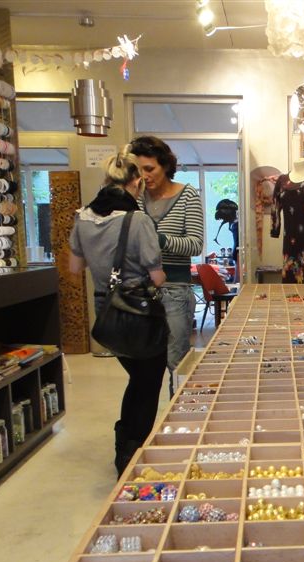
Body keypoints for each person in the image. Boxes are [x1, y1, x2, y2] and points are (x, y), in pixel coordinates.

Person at [68, 148, 167, 474]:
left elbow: (75, 267)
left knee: (137, 378)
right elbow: (156, 276)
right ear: (136, 182)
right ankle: (130, 453)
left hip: (106, 311)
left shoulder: (83, 217)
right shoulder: (137, 220)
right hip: (139, 313)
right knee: (148, 382)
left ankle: (125, 446)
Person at [128, 136, 205, 395]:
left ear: (165, 166)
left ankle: (178, 415)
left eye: (150, 169)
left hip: (175, 289)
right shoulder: (135, 198)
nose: (144, 176)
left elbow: (195, 244)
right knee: (143, 368)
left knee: (176, 364)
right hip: (140, 290)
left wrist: (158, 240)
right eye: (138, 170)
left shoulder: (187, 195)